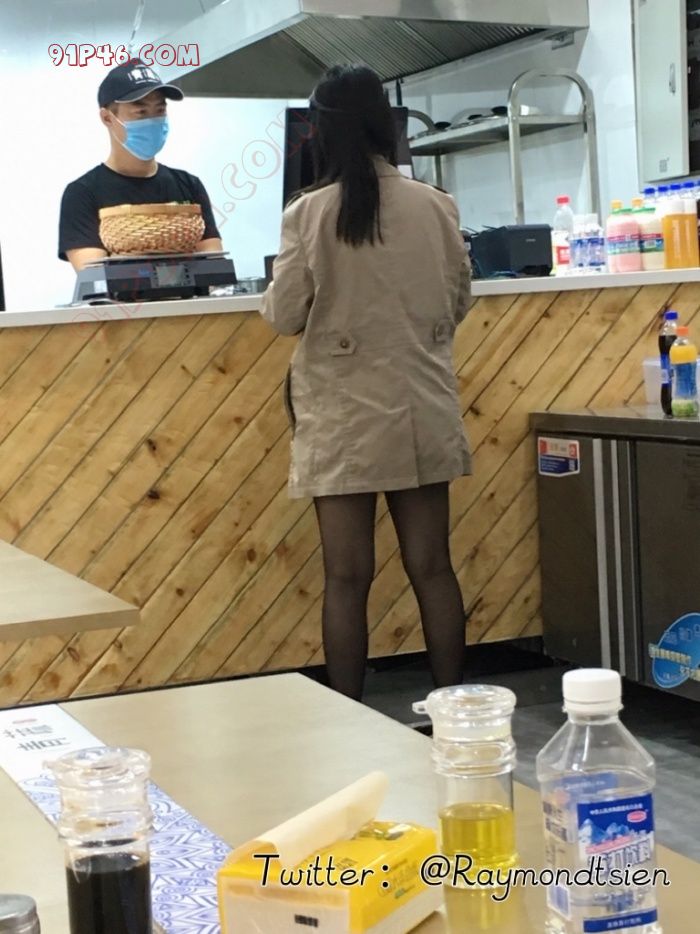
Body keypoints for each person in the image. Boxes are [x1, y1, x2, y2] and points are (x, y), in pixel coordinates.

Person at [260, 64, 472, 701]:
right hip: (422, 402)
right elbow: (459, 300)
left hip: (342, 415)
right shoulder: (436, 204)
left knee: (347, 578)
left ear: (321, 133)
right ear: (387, 125)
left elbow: (283, 315)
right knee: (433, 568)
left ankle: (348, 718)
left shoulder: (308, 213)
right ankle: (454, 712)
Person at [58, 59, 222, 271]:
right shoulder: (82, 193)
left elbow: (214, 268)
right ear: (107, 118)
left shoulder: (189, 185)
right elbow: (96, 276)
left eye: (160, 110)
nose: (153, 120)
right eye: (141, 112)